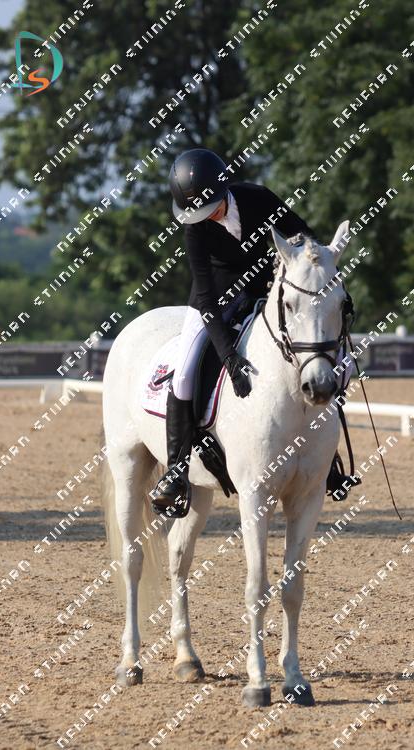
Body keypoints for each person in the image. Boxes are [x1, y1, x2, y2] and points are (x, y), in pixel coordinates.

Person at [151, 148, 349, 518]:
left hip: (268, 293)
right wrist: (229, 356)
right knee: (185, 372)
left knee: (329, 358)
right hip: (214, 302)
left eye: (211, 206)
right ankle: (176, 472)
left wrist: (311, 265)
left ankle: (329, 459)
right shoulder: (195, 227)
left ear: (224, 189)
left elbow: (305, 240)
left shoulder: (258, 198)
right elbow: (205, 297)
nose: (207, 215)